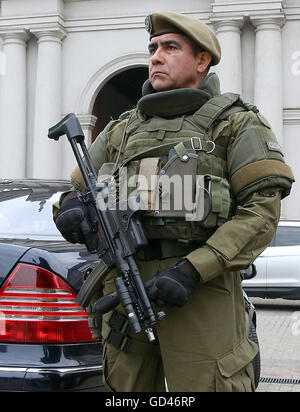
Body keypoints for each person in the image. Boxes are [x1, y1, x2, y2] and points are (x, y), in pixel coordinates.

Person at [53, 11, 294, 392]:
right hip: (125, 289)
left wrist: (192, 270)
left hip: (200, 289)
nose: (156, 57)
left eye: (170, 47)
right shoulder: (122, 128)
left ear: (202, 61)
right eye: (152, 48)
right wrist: (68, 208)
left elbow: (261, 215)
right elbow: (74, 191)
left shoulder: (235, 123)